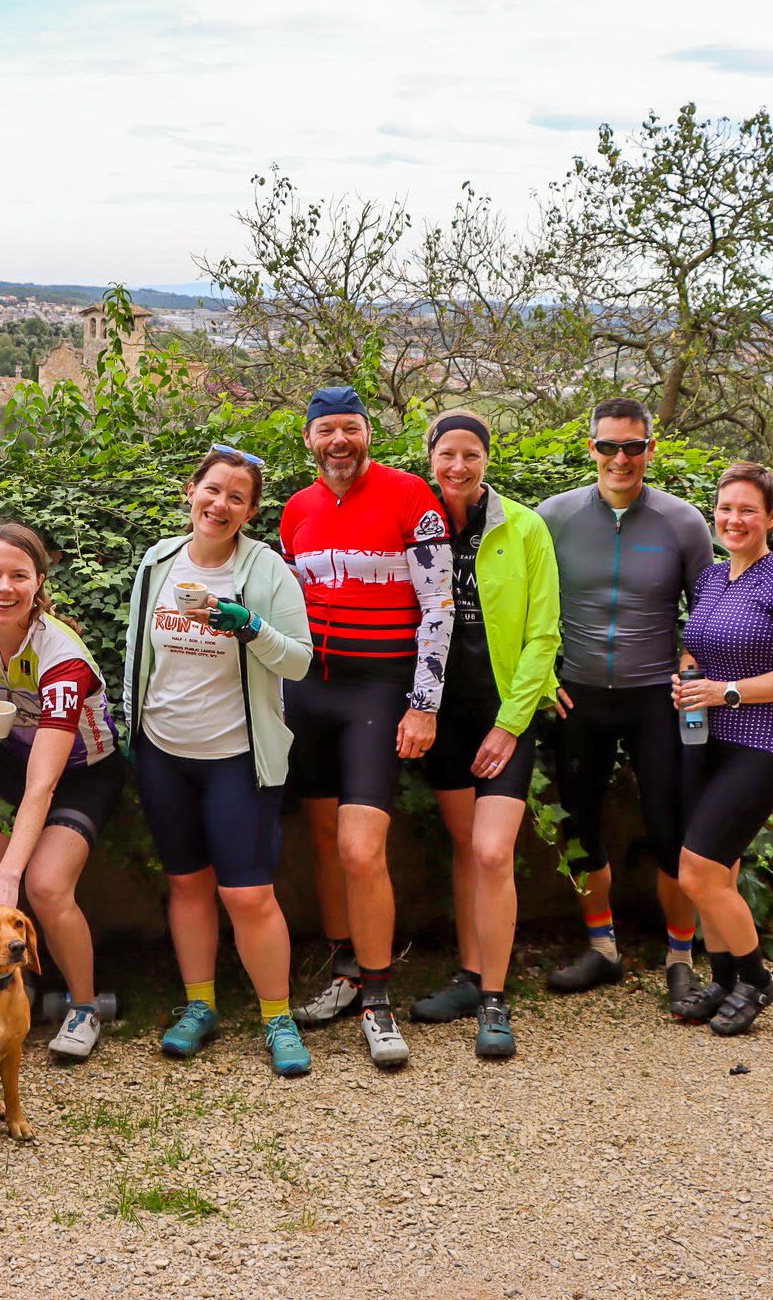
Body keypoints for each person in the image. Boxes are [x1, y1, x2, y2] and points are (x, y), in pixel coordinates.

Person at [123, 445, 316, 1079]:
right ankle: (199, 1005)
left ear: (251, 510)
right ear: (192, 491)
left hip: (237, 756)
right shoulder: (156, 562)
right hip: (164, 751)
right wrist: (133, 733)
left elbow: (299, 661)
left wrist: (249, 625)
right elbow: (136, 654)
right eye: (213, 490)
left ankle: (277, 1016)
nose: (221, 504)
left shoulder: (266, 571)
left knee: (248, 893)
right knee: (187, 883)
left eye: (237, 497)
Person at [281, 385, 453, 1069]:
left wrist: (425, 702)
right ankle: (347, 971)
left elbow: (438, 608)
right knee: (325, 841)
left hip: (379, 693)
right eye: (327, 431)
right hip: (310, 693)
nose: (339, 442)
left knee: (360, 848)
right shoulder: (297, 508)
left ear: (368, 434)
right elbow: (287, 602)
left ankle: (379, 995)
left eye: (350, 429)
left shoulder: (413, 497)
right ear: (310, 441)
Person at [536, 397, 715, 1015]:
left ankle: (680, 957)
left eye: (632, 446)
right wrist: (542, 676)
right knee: (580, 824)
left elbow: (711, 611)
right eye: (608, 446)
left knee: (672, 828)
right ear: (591, 449)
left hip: (654, 698)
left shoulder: (684, 522)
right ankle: (602, 947)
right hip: (577, 694)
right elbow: (528, 609)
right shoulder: (553, 517)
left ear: (650, 450)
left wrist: (693, 665)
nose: (620, 458)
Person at [408, 412, 561, 1060]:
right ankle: (470, 978)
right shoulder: (418, 526)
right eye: (448, 454)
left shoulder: (524, 527)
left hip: (506, 716)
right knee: (467, 848)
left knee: (495, 852)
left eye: (471, 454)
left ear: (487, 459)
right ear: (431, 458)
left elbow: (543, 636)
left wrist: (509, 723)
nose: (459, 466)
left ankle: (496, 998)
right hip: (442, 716)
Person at [0, 523, 123, 1062]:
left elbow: (44, 782)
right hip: (11, 759)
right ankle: (12, 995)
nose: (3, 587)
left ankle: (84, 1006)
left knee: (44, 886)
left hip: (81, 771)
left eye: (18, 576)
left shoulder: (61, 656)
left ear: (39, 582)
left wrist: (13, 876)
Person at [670, 462, 773, 1037]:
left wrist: (727, 692)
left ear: (772, 518)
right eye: (726, 508)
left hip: (762, 743)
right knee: (722, 870)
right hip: (704, 739)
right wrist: (688, 678)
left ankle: (757, 980)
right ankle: (724, 977)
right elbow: (699, 649)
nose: (734, 519)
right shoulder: (713, 578)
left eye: (747, 511)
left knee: (699, 872)